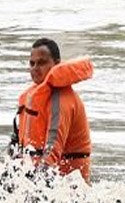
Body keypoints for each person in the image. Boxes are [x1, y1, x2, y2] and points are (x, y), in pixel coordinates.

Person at [10, 38, 93, 183]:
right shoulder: (29, 97)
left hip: (68, 183)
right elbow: (15, 145)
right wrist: (6, 169)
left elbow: (52, 150)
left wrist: (35, 179)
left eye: (41, 63)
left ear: (57, 64)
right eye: (32, 63)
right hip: (39, 173)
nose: (35, 68)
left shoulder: (61, 101)